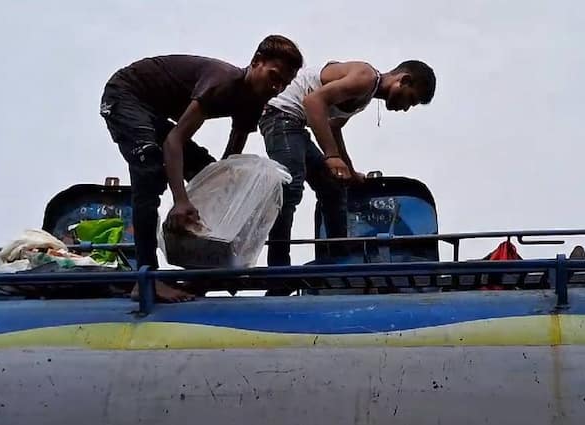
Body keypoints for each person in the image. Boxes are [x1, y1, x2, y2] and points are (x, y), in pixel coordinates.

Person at [100, 35, 303, 302]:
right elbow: (174, 140)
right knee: (150, 167)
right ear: (256, 62)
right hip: (125, 94)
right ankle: (145, 277)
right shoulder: (223, 82)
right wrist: (181, 200)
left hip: (154, 114)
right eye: (273, 76)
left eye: (283, 85)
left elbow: (227, 162)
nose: (276, 88)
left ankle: (204, 274)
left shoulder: (255, 102)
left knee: (209, 174)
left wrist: (227, 204)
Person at [258, 60, 436, 282]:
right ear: (404, 80)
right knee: (291, 189)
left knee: (333, 189)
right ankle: (278, 272)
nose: (406, 108)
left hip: (295, 125)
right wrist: (331, 156)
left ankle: (338, 263)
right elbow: (313, 102)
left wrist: (349, 170)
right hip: (280, 115)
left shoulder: (366, 93)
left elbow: (333, 127)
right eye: (410, 99)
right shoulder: (366, 78)